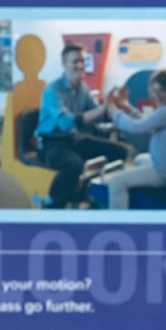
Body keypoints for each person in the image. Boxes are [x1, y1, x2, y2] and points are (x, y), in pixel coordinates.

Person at [34, 43, 130, 208]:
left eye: (83, 62)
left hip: (72, 139)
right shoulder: (52, 90)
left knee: (120, 151)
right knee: (74, 165)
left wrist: (115, 106)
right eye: (75, 62)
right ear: (65, 64)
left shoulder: (83, 88)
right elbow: (66, 122)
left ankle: (88, 191)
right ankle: (52, 202)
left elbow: (96, 116)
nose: (80, 66)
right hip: (51, 143)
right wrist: (103, 108)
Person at [104, 69, 166, 210]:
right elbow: (148, 124)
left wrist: (114, 111)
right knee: (139, 159)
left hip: (164, 173)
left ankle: (118, 224)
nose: (157, 96)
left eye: (162, 91)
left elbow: (136, 127)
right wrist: (127, 108)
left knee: (116, 183)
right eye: (155, 91)